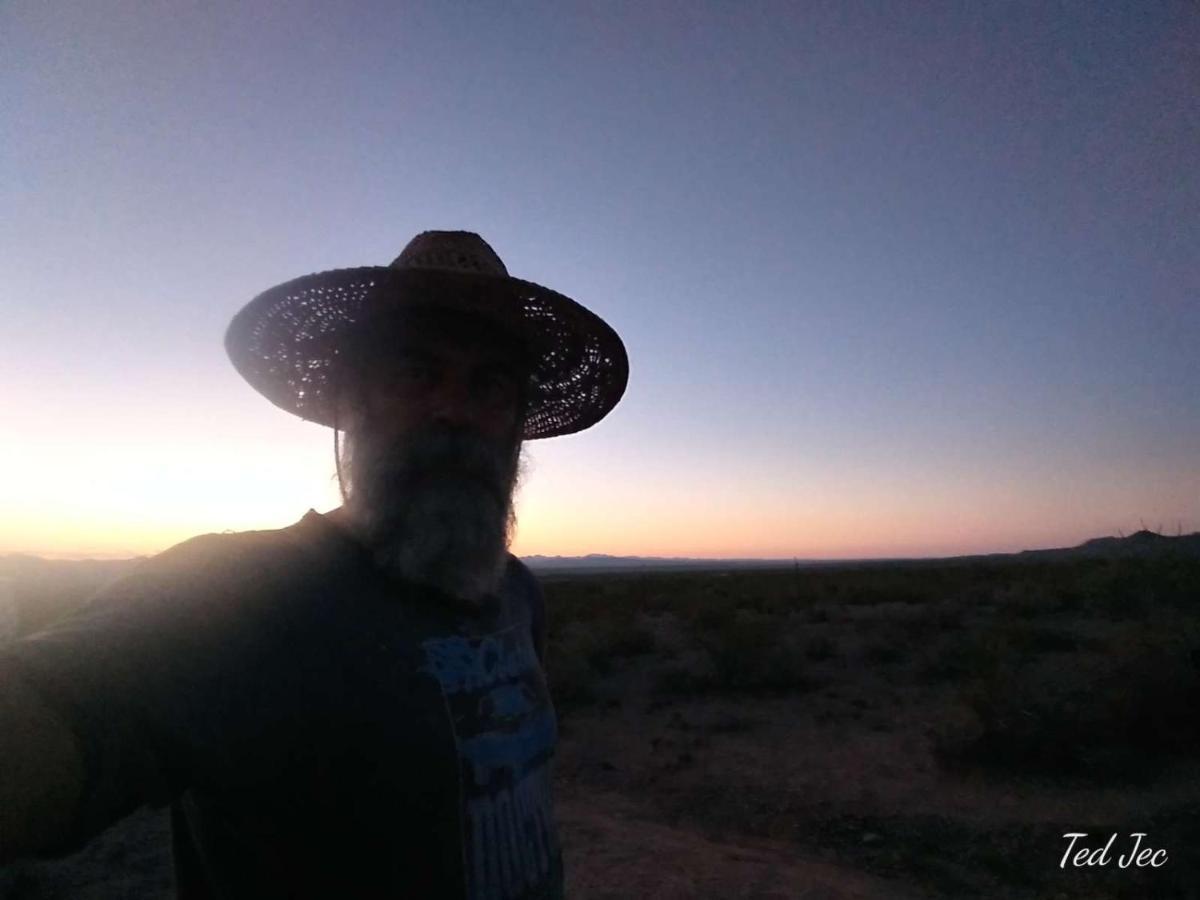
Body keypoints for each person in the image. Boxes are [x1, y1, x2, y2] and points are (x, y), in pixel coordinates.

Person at [0, 231, 629, 899]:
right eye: (414, 372)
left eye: (490, 384)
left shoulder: (518, 596)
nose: (454, 410)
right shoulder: (242, 598)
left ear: (514, 423)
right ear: (348, 404)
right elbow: (59, 712)